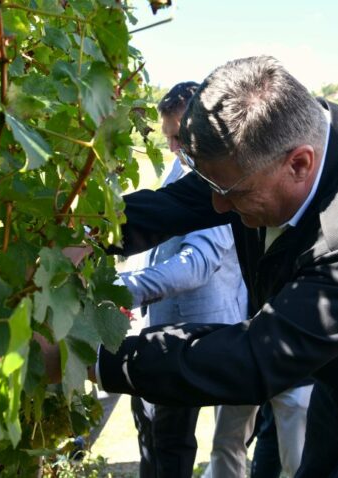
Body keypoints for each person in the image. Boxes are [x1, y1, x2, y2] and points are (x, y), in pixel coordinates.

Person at [77, 55, 338, 476]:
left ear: (299, 164)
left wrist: (93, 360)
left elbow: (260, 356)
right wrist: (84, 233)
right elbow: (178, 203)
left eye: (230, 191)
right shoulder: (275, 141)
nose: (218, 206)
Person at [120, 81, 256, 478]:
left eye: (180, 137)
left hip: (201, 333)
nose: (175, 149)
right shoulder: (180, 167)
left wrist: (125, 287)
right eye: (169, 139)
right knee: (154, 439)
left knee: (177, 446)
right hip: (164, 326)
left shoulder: (219, 179)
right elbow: (158, 235)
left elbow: (196, 263)